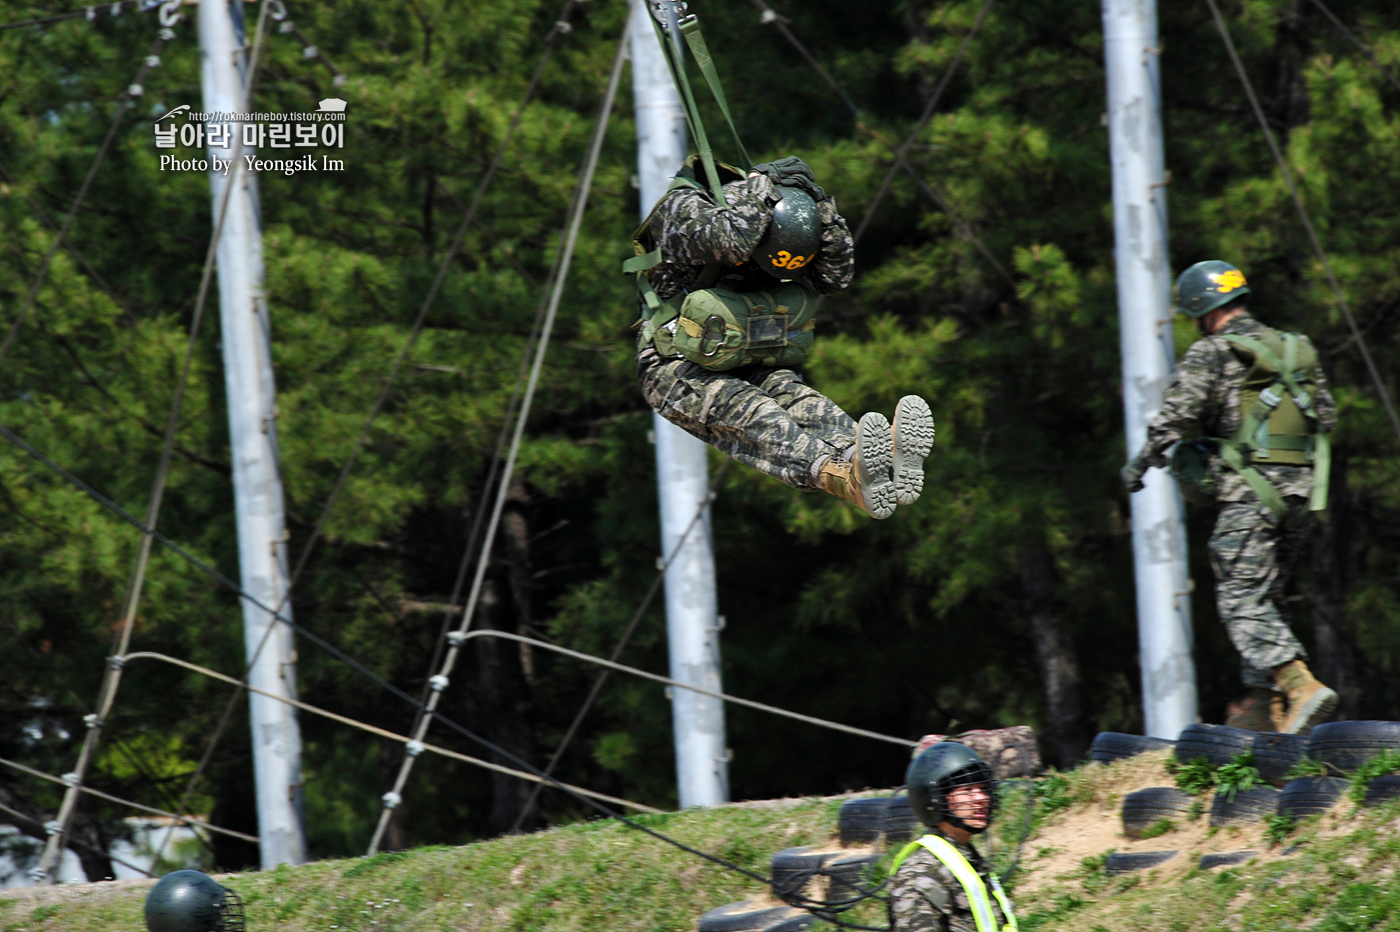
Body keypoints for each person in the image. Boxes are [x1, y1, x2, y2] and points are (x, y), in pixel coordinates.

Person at [628, 155, 935, 519]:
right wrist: (763, 187)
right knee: (756, 413)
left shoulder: (772, 222)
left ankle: (873, 460)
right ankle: (839, 477)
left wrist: (823, 212)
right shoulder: (686, 211)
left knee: (801, 401)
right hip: (675, 369)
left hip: (745, 356)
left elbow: (834, 278)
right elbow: (732, 241)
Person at [1120, 260, 1339, 734]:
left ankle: (1297, 683)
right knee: (1268, 595)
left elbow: (1176, 416)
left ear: (1200, 308)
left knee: (1241, 597)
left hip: (1251, 493)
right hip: (1302, 495)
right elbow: (1328, 417)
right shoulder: (1294, 348)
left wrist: (1140, 465)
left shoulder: (1213, 352)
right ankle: (1264, 707)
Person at [889, 742, 1017, 932]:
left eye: (982, 788)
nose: (981, 797)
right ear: (934, 799)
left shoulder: (968, 862)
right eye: (967, 791)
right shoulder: (921, 872)